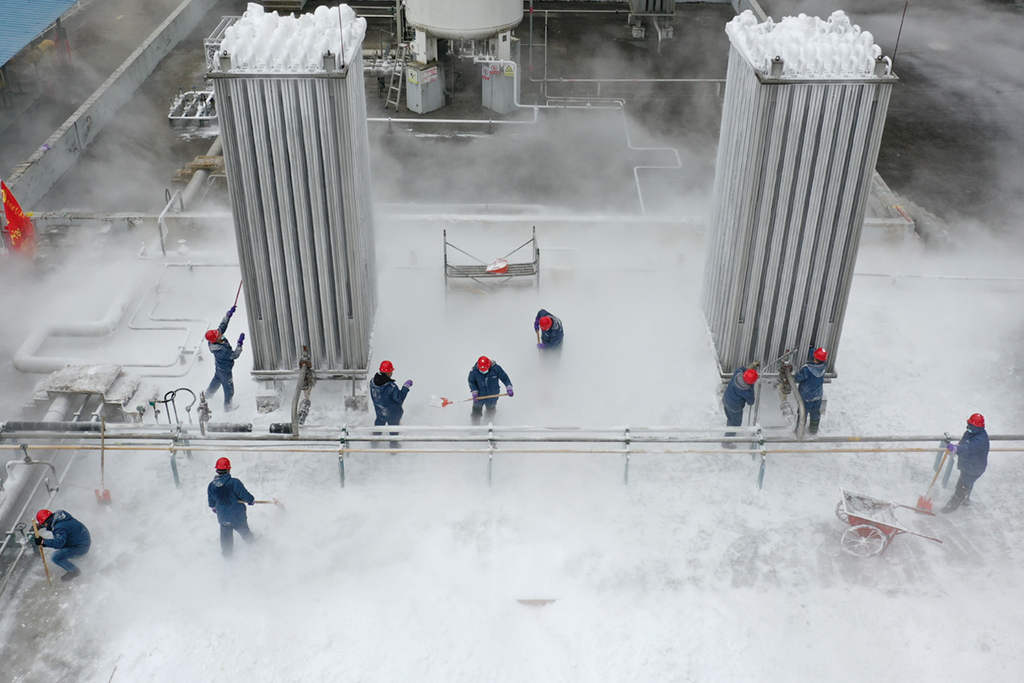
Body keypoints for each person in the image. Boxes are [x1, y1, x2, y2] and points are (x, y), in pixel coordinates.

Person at [941, 413, 989, 514]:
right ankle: (965, 499)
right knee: (967, 483)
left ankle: (953, 504)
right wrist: (956, 446)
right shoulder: (969, 433)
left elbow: (968, 448)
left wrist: (957, 449)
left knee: (962, 486)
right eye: (968, 425)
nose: (968, 427)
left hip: (974, 468)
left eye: (971, 426)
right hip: (968, 465)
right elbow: (963, 443)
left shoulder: (980, 440)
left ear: (977, 427)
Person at [207, 457, 255, 557]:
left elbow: (211, 503)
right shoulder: (234, 483)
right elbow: (245, 496)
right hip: (237, 516)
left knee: (225, 536)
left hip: (223, 517)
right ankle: (251, 541)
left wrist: (214, 508)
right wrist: (250, 500)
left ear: (217, 470)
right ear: (229, 469)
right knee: (244, 530)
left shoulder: (211, 486)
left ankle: (227, 554)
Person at [205, 306, 245, 412]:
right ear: (215, 340)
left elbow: (222, 325)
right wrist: (239, 344)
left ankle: (208, 395)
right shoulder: (221, 351)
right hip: (225, 369)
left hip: (219, 367)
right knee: (229, 389)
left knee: (217, 379)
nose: (221, 334)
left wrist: (228, 315)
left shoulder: (216, 339)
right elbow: (234, 355)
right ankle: (228, 406)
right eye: (219, 335)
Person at [33, 509, 91, 582]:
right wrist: (40, 526)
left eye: (43, 524)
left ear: (46, 522)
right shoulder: (60, 518)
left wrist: (43, 541)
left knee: (55, 557)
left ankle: (74, 571)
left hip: (81, 547)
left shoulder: (59, 527)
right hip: (83, 540)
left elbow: (59, 543)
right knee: (61, 546)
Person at [370, 360, 413, 449]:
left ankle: (374, 444)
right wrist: (405, 388)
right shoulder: (391, 387)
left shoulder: (373, 382)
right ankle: (394, 447)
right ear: (389, 372)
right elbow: (399, 398)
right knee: (394, 430)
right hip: (392, 414)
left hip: (380, 412)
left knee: (378, 428)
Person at [467, 356, 513, 425]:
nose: (483, 371)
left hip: (492, 395)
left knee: (491, 412)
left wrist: (509, 387)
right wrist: (474, 391)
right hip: (479, 396)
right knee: (476, 412)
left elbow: (504, 378)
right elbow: (471, 382)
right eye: (481, 370)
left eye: (485, 370)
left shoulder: (496, 369)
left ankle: (488, 424)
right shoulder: (474, 371)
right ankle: (475, 426)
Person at [794, 347, 828, 434]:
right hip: (818, 396)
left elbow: (799, 378)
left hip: (807, 396)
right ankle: (813, 430)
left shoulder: (807, 370)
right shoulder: (824, 366)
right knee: (815, 413)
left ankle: (799, 431)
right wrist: (812, 350)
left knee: (803, 413)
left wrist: (795, 375)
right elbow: (817, 358)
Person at [722, 366, 758, 447]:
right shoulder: (747, 391)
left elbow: (743, 368)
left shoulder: (737, 373)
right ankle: (726, 442)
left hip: (726, 400)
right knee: (735, 425)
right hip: (735, 408)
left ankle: (729, 428)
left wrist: (752, 366)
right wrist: (752, 389)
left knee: (730, 418)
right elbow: (751, 402)